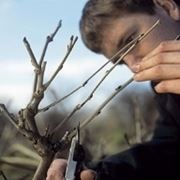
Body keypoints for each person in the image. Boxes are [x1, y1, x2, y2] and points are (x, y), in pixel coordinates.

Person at [46, 0, 180, 179]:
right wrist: (98, 172)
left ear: (166, 6)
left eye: (131, 41)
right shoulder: (166, 88)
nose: (134, 66)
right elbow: (170, 150)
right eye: (122, 62)